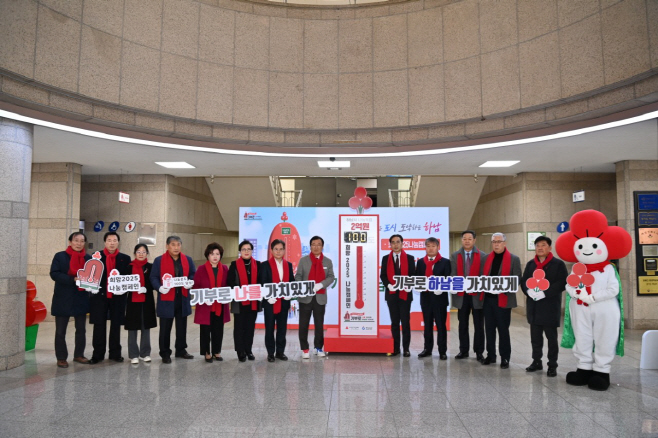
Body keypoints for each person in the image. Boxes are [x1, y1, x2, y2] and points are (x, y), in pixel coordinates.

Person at [520, 236, 568, 377]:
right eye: (537, 245)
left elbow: (562, 283)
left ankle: (552, 365)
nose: (540, 248)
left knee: (551, 339)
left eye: (543, 245)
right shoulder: (530, 264)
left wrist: (545, 293)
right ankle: (536, 361)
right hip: (534, 307)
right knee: (535, 338)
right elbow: (524, 281)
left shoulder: (558, 264)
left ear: (549, 248)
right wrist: (528, 291)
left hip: (550, 306)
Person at [150, 236, 196, 363]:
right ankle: (165, 353)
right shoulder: (159, 260)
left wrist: (191, 281)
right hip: (166, 299)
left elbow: (193, 273)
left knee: (182, 327)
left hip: (182, 298)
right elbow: (153, 277)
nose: (176, 247)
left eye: (178, 244)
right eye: (173, 244)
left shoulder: (188, 260)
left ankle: (181, 350)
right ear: (167, 246)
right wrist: (159, 288)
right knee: (165, 328)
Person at [50, 232, 91, 368]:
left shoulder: (88, 258)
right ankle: (61, 357)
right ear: (70, 242)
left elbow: (92, 276)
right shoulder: (60, 256)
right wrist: (72, 279)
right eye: (76, 240)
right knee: (60, 331)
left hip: (81, 298)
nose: (79, 243)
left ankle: (79, 354)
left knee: (81, 330)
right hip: (63, 298)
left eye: (82, 241)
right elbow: (54, 273)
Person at [89, 231, 131, 364]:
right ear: (104, 242)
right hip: (99, 297)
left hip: (118, 297)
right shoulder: (96, 257)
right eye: (109, 240)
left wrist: (124, 289)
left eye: (114, 240)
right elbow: (91, 275)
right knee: (99, 325)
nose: (112, 243)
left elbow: (127, 278)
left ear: (118, 242)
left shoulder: (125, 258)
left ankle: (115, 353)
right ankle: (97, 354)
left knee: (116, 325)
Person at [481, 232, 522, 369]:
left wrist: (502, 288)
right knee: (489, 329)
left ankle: (505, 357)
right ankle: (491, 355)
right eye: (494, 242)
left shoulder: (514, 259)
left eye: (499, 241)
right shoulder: (486, 258)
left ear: (504, 243)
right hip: (488, 299)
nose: (496, 244)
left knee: (503, 330)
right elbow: (481, 277)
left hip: (503, 299)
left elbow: (517, 279)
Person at [295, 236, 335, 359]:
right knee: (303, 324)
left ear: (322, 246)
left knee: (319, 324)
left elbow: (331, 277)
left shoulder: (327, 261)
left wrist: (321, 285)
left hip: (320, 297)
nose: (316, 247)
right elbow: (298, 277)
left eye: (319, 244)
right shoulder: (303, 260)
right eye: (313, 244)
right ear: (310, 246)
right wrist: (303, 287)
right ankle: (305, 349)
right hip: (305, 298)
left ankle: (318, 347)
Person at [450, 230, 487, 363]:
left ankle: (479, 352)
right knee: (462, 324)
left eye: (469, 239)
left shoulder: (483, 256)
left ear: (474, 240)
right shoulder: (455, 256)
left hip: (477, 295)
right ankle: (463, 350)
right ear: (461, 240)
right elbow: (453, 274)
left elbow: (484, 276)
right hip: (462, 296)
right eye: (464, 238)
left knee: (479, 325)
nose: (467, 241)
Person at [259, 239, 295, 362]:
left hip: (284, 302)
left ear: (284, 250)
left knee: (282, 329)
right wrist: (268, 296)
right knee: (269, 329)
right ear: (271, 250)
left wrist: (289, 294)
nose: (278, 251)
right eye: (276, 249)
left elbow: (292, 282)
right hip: (270, 303)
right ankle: (270, 353)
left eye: (281, 249)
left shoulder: (288, 265)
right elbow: (262, 283)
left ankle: (280, 352)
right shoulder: (264, 265)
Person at [380, 234, 416, 357]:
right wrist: (389, 285)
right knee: (395, 322)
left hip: (405, 294)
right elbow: (383, 275)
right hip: (391, 294)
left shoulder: (410, 258)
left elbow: (413, 275)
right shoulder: (386, 258)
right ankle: (395, 347)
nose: (395, 245)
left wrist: (407, 284)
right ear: (390, 244)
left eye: (398, 242)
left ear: (402, 243)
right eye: (393, 242)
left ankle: (406, 348)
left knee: (405, 322)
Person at [193, 242, 230, 363]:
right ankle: (207, 352)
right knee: (205, 330)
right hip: (205, 306)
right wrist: (204, 298)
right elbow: (196, 287)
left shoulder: (224, 268)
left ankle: (216, 352)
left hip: (220, 305)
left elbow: (228, 286)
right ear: (207, 256)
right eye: (212, 254)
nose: (215, 256)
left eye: (217, 254)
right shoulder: (201, 269)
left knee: (218, 329)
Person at [416, 237, 451, 360]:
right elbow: (417, 278)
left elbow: (448, 279)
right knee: (427, 325)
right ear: (425, 247)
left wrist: (441, 288)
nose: (430, 249)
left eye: (433, 246)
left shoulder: (445, 262)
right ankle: (427, 349)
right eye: (428, 246)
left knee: (441, 325)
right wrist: (418, 286)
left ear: (438, 247)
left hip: (440, 299)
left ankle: (442, 351)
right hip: (426, 299)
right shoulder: (420, 262)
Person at [228, 240, 262, 362]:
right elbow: (230, 282)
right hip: (239, 302)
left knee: (250, 327)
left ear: (252, 251)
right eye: (243, 249)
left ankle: (249, 350)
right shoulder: (234, 265)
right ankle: (240, 351)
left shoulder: (258, 264)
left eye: (248, 249)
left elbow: (261, 283)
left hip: (253, 302)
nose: (246, 251)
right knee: (239, 327)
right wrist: (240, 290)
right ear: (240, 252)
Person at [124, 244, 157, 364]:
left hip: (146, 300)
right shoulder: (128, 267)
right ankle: (133, 354)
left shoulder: (151, 267)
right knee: (132, 328)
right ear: (134, 253)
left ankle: (145, 353)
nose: (141, 253)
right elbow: (123, 283)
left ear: (147, 253)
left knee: (145, 326)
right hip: (132, 301)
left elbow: (154, 282)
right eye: (138, 251)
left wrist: (146, 288)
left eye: (144, 251)